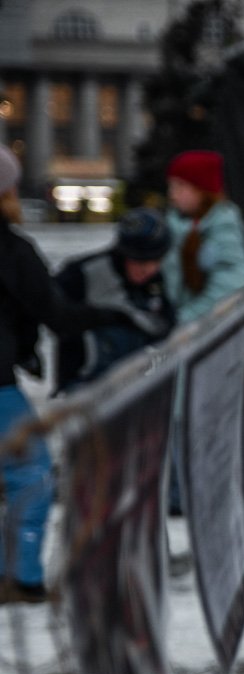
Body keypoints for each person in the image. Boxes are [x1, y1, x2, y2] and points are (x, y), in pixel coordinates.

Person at [0, 144, 130, 601]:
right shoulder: (11, 249)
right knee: (32, 476)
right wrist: (114, 314)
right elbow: (57, 314)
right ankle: (20, 577)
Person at [55, 208, 175, 390]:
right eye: (140, 261)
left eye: (156, 261)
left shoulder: (154, 281)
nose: (148, 270)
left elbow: (166, 324)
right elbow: (49, 310)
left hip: (136, 383)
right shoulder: (82, 274)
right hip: (85, 384)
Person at [159, 149, 244, 324]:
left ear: (202, 190)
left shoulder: (224, 227)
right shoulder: (171, 225)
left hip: (203, 327)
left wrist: (181, 321)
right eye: (170, 186)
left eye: (180, 186)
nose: (172, 194)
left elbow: (229, 286)